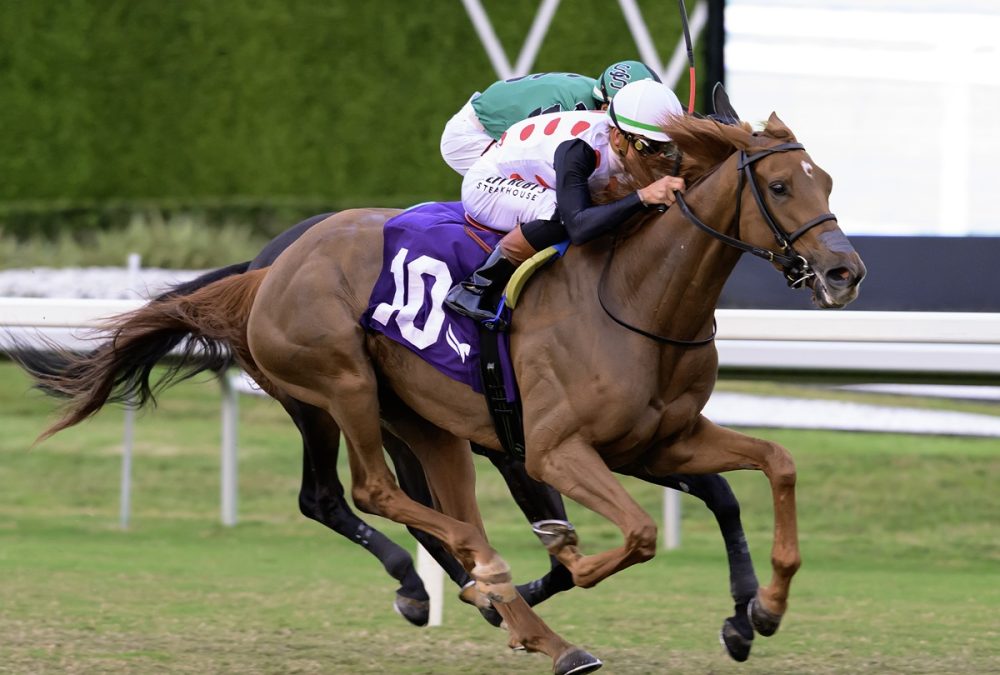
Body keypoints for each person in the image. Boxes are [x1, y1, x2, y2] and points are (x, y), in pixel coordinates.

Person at [444, 78, 688, 322]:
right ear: (616, 137)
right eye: (648, 148)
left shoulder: (628, 136)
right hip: (488, 184)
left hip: (535, 178)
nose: (657, 158)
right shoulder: (579, 149)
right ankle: (476, 287)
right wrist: (642, 196)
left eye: (666, 148)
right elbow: (579, 227)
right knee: (557, 214)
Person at [440, 60, 662, 176]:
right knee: (548, 201)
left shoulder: (596, 94)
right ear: (605, 105)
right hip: (471, 136)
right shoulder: (577, 111)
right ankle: (500, 261)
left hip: (491, 111)